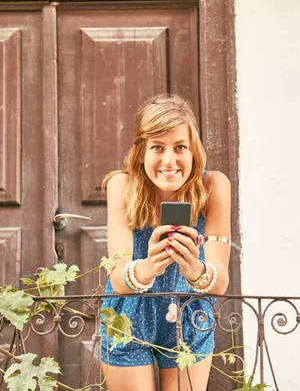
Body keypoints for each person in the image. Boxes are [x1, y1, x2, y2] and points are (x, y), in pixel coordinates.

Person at [100, 93, 231, 391]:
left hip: (188, 316)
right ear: (141, 152)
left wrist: (195, 270)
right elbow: (119, 279)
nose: (169, 161)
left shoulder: (213, 187)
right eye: (157, 147)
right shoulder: (122, 186)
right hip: (128, 317)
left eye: (180, 147)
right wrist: (149, 266)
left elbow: (219, 281)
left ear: (194, 151)